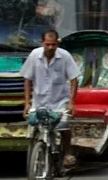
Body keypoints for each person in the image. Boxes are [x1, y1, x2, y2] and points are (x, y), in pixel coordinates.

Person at [21, 29, 81, 168]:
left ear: (57, 43)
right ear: (42, 43)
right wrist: (27, 103)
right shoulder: (34, 55)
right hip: (39, 101)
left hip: (60, 101)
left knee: (64, 126)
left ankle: (67, 153)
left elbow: (74, 79)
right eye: (47, 44)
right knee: (34, 125)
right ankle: (38, 150)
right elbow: (27, 79)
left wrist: (71, 103)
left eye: (53, 44)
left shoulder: (65, 56)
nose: (50, 47)